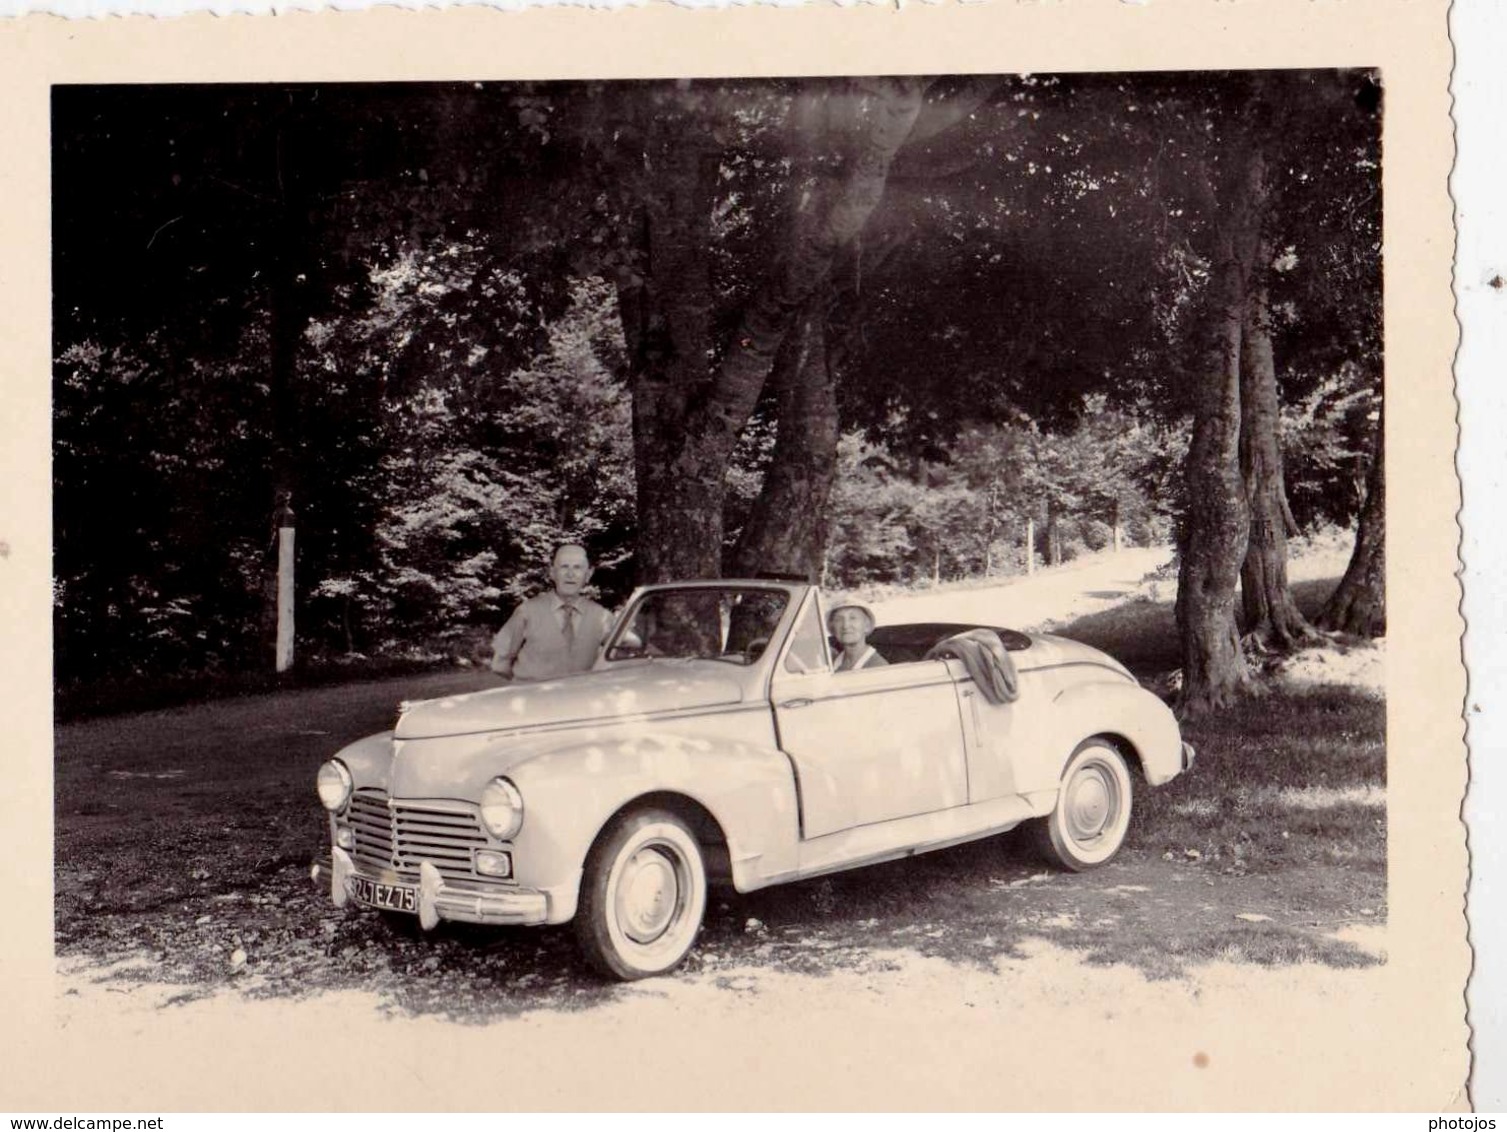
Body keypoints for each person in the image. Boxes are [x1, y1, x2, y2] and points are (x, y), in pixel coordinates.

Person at [490, 544, 614, 681]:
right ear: (552, 572)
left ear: (588, 574)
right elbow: (500, 665)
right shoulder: (527, 611)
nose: (570, 574)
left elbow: (630, 649)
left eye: (577, 567)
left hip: (580, 699)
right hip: (534, 698)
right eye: (564, 567)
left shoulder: (601, 616)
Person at [828, 603, 889, 672]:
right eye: (839, 619)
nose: (845, 625)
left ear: (867, 626)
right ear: (832, 628)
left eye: (853, 618)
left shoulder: (878, 667)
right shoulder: (833, 662)